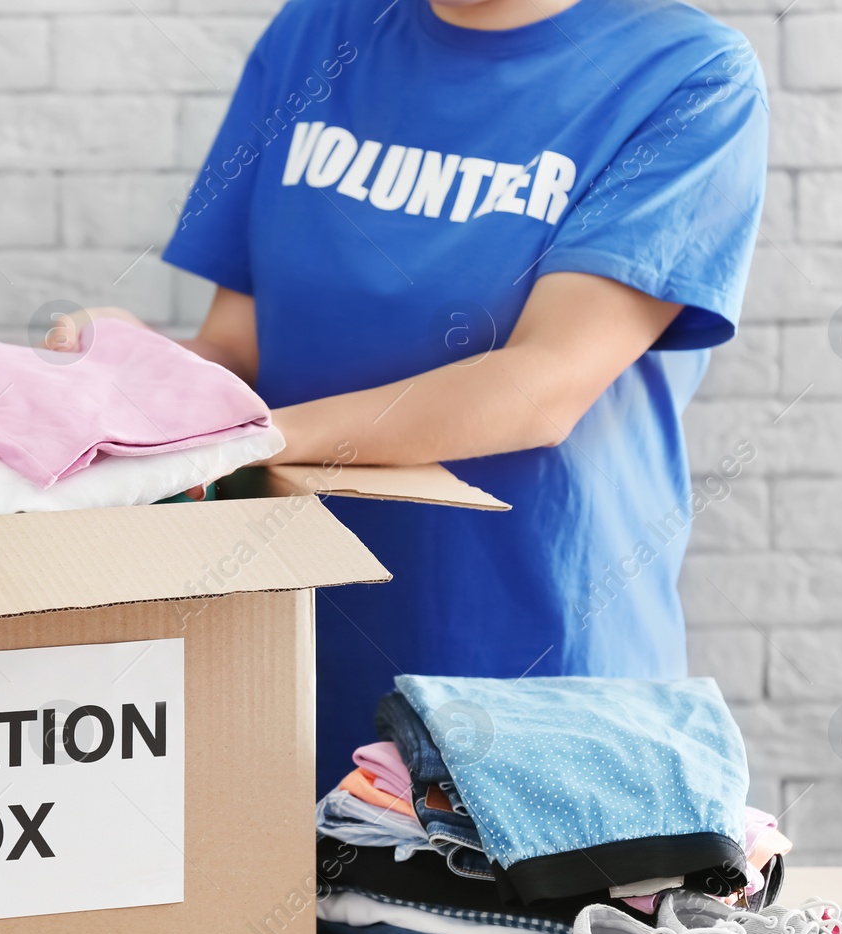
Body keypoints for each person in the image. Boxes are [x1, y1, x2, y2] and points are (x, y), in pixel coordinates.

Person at [60, 0, 768, 796]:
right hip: (291, 656)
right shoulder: (318, 33)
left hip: (535, 684)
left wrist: (245, 436)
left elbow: (543, 385)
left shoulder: (685, 74)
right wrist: (122, 365)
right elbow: (235, 347)